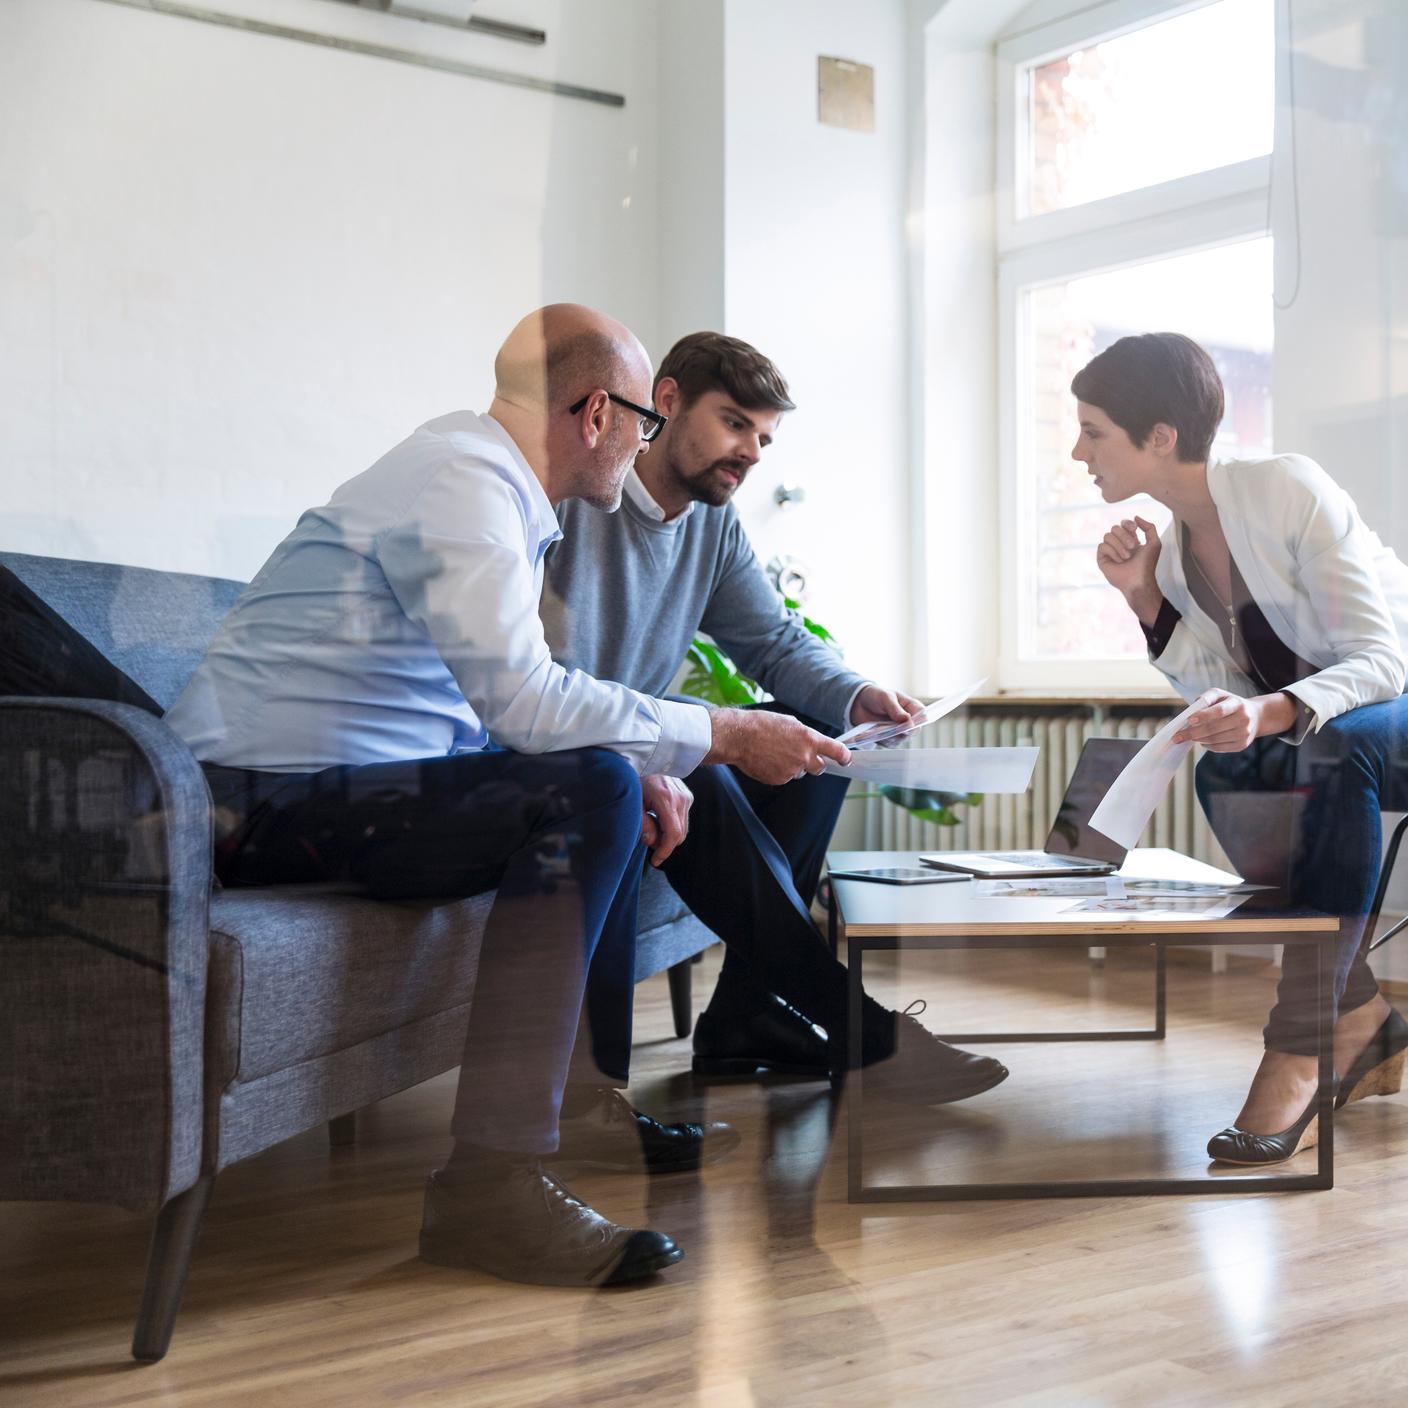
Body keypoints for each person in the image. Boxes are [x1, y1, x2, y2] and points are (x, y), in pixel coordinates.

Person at [164, 304, 855, 1286]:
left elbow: (486, 707)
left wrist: (647, 761)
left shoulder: (487, 487)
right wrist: (730, 733)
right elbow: (528, 702)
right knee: (586, 792)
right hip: (258, 801)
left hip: (330, 790)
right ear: (592, 414)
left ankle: (568, 1112)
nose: (643, 445)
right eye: (642, 424)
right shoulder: (467, 481)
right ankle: (488, 1186)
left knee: (607, 783)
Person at [543, 330, 1009, 1104]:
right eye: (734, 423)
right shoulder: (572, 498)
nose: (751, 451)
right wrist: (662, 752)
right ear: (666, 401)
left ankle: (746, 1018)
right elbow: (532, 686)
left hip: (654, 754)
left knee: (809, 739)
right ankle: (864, 1031)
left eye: (762, 436)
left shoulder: (713, 526)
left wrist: (857, 698)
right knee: (703, 756)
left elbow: (773, 641)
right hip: (578, 756)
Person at [1077, 330, 1408, 1164]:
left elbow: (1382, 660)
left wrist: (1271, 712)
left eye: (1093, 430)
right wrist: (1146, 596)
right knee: (1226, 765)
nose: (1078, 450)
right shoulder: (1181, 550)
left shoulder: (1284, 487)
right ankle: (1364, 1018)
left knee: (1330, 751)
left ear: (1159, 437)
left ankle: (1299, 1050)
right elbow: (1217, 691)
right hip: (1337, 731)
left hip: (1391, 708)